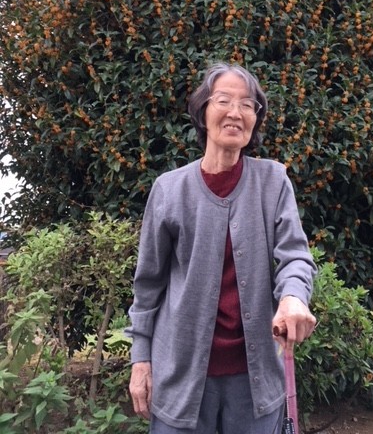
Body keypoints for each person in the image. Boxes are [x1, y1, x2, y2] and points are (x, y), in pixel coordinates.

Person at [127, 62, 317, 434]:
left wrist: (293, 296)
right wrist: (141, 360)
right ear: (203, 112)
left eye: (247, 105)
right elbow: (148, 285)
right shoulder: (169, 190)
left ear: (255, 120)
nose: (235, 112)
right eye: (224, 100)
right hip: (180, 377)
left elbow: (295, 254)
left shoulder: (273, 181)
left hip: (254, 382)